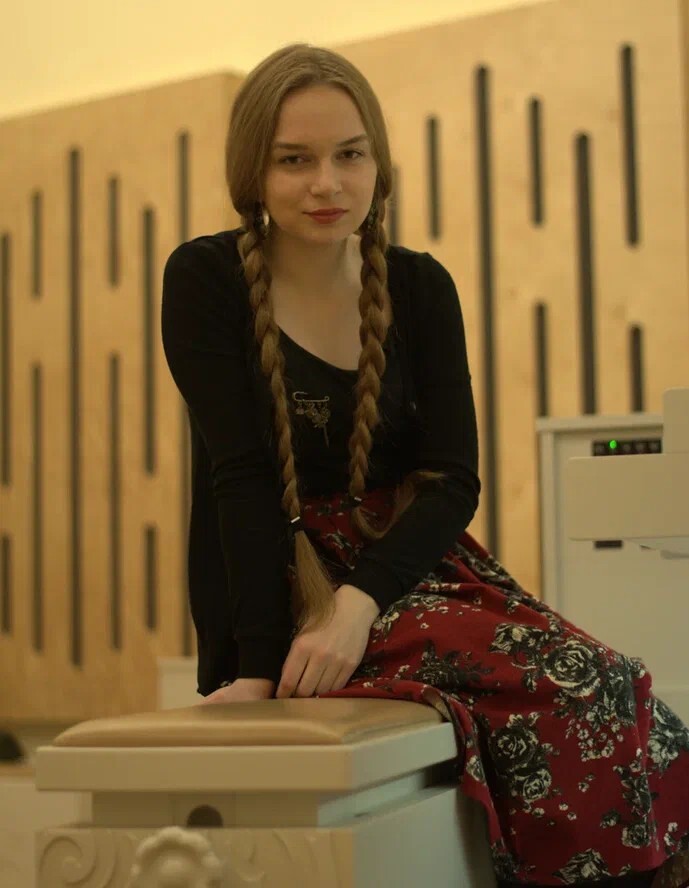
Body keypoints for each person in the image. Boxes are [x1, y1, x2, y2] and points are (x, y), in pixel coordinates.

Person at [161, 42, 689, 888]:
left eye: (349, 154)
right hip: (287, 581)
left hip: (401, 570)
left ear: (378, 162)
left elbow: (452, 478)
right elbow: (241, 479)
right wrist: (255, 665)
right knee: (572, 692)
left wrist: (359, 605)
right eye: (293, 160)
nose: (327, 183)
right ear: (251, 171)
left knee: (627, 694)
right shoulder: (204, 277)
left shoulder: (418, 285)